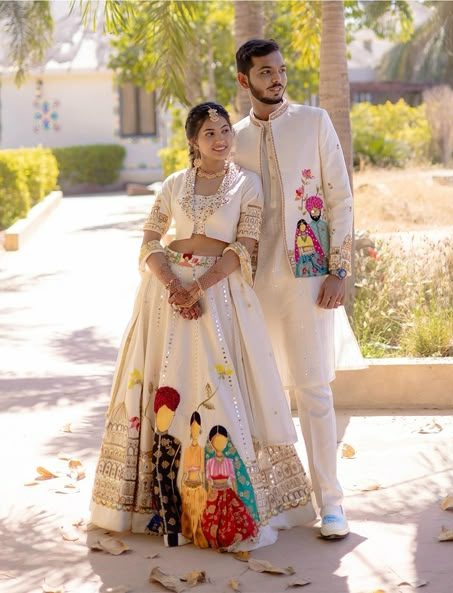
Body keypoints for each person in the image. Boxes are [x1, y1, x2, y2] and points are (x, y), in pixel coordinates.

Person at [90, 101, 316, 552]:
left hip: (220, 296)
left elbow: (244, 247)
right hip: (164, 298)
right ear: (193, 141)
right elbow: (151, 239)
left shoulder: (247, 185)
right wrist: (175, 284)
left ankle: (222, 509)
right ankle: (156, 509)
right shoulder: (174, 184)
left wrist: (200, 288)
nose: (221, 140)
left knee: (219, 388)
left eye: (225, 131)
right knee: (165, 387)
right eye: (210, 133)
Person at [233, 39, 365, 539]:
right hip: (251, 285)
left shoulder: (314, 122)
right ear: (245, 81)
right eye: (266, 73)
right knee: (258, 393)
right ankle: (273, 501)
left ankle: (331, 504)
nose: (277, 79)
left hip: (310, 277)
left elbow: (340, 198)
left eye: (281, 71)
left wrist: (339, 269)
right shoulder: (235, 138)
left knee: (313, 389)